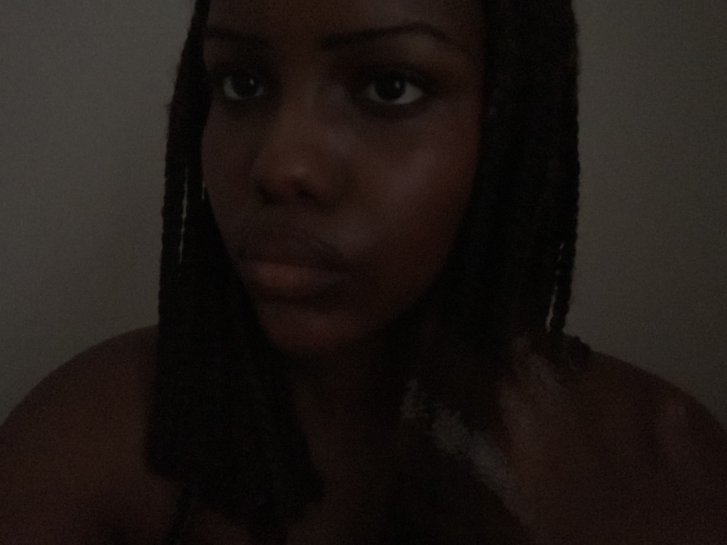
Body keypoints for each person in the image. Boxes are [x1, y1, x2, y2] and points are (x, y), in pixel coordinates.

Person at [1, 0, 726, 543]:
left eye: (389, 87)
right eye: (242, 82)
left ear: (515, 124)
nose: (280, 164)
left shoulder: (663, 467)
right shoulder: (89, 442)